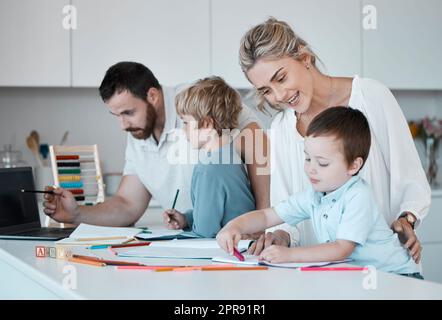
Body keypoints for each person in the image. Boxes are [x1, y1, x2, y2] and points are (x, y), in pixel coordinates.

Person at [238, 18, 430, 263]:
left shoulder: (370, 97)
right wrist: (281, 235)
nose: (279, 96)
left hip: (384, 271)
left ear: (304, 58)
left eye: (281, 78)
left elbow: (410, 178)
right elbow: (286, 209)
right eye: (266, 90)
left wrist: (407, 218)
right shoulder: (282, 129)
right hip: (321, 275)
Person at [43, 62, 269, 227]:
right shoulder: (137, 132)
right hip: (196, 236)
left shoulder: (194, 101)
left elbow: (255, 139)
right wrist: (77, 214)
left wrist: (263, 221)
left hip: (234, 239)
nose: (123, 125)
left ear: (152, 96)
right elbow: (127, 205)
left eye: (128, 112)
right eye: (116, 115)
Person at [217, 107, 422, 279]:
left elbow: (342, 248)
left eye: (322, 163)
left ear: (353, 165)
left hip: (396, 276)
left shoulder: (358, 195)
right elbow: (267, 215)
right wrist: (234, 226)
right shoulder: (314, 195)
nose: (311, 169)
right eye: (307, 159)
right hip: (363, 277)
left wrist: (289, 255)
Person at [163, 77, 256, 237]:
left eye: (185, 122)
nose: (183, 130)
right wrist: (186, 219)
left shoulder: (210, 168)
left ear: (207, 124)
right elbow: (219, 213)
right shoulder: (229, 156)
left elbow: (205, 232)